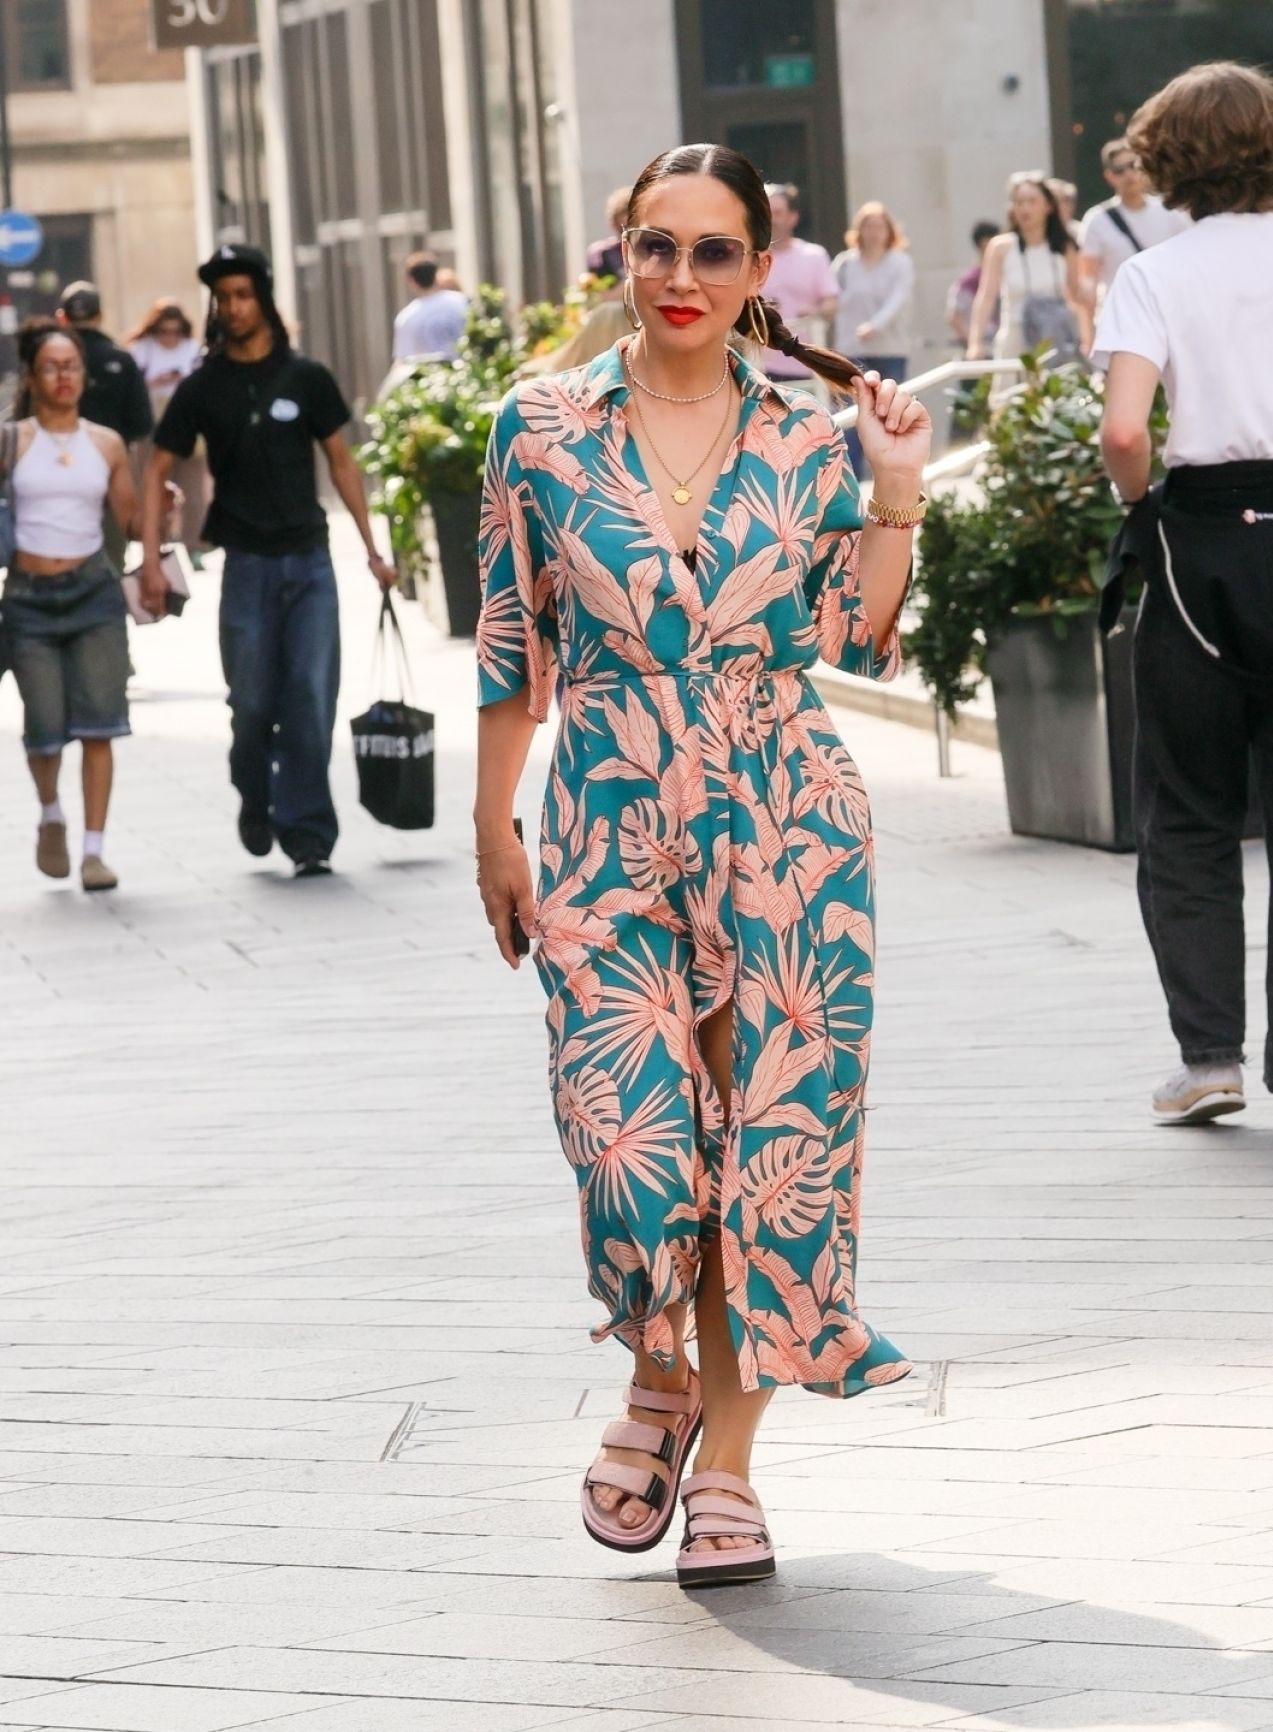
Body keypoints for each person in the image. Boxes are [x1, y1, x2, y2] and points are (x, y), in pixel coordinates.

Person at [474, 142, 929, 1588]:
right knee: (636, 1141)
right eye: (654, 247)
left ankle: (724, 1452)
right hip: (606, 811)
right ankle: (658, 1364)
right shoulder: (539, 426)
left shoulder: (806, 431)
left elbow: (858, 643)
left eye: (712, 252)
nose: (679, 279)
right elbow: (507, 641)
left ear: (759, 267)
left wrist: (899, 491)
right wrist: (493, 825)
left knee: (772, 1153)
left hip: (785, 809)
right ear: (620, 252)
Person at [1093, 62, 1273, 1125]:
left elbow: (1125, 430)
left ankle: (1207, 1053)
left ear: (1166, 160)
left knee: (1191, 811)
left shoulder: (1154, 274)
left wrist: (1143, 504)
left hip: (1198, 541)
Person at [141, 244, 398, 877]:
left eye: (242, 295)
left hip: (310, 563)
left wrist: (372, 549)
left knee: (309, 698)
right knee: (252, 702)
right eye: (222, 298)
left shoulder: (306, 376)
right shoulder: (202, 386)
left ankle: (308, 833)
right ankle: (255, 791)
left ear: (263, 300)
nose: (231, 307)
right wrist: (149, 558)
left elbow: (342, 462)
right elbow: (158, 467)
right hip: (247, 566)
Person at [2, 323, 140, 892]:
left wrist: (164, 525)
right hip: (29, 597)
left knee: (100, 724)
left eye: (73, 366)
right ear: (33, 378)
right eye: (53, 367)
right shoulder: (12, 439)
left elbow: (130, 517)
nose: (65, 377)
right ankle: (52, 814)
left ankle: (94, 851)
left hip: (93, 591)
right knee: (44, 728)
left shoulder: (106, 442)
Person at [56, 282, 152, 569]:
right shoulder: (120, 360)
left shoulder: (48, 361)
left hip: (57, 475)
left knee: (61, 561)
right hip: (110, 476)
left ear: (63, 317)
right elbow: (142, 423)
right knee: (110, 564)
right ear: (100, 315)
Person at [831, 201, 915, 476]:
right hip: (851, 349)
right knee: (853, 414)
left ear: (889, 230)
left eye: (880, 226)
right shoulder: (845, 263)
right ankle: (852, 475)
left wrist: (874, 326)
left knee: (889, 415)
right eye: (868, 226)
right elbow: (831, 299)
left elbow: (897, 301)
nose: (874, 232)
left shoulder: (900, 262)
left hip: (889, 349)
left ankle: (891, 474)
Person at [968, 173, 1085, 367]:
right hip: (1015, 338)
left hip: (1055, 338)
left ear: (1047, 206)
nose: (1025, 208)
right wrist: (976, 342)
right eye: (1019, 202)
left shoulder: (1065, 247)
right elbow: (986, 297)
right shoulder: (1001, 247)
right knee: (1006, 396)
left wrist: (1085, 338)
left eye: (1032, 201)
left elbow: (1076, 298)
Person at [125, 299, 208, 559]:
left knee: (193, 490)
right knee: (151, 488)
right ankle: (153, 543)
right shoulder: (142, 350)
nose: (170, 338)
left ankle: (194, 545)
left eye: (175, 332)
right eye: (164, 332)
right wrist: (154, 381)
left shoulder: (194, 351)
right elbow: (133, 389)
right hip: (153, 428)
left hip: (189, 426)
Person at [1079, 138, 1191, 316]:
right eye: (1119, 170)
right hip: (1120, 314)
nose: (1129, 174)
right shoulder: (1097, 219)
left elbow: (1188, 263)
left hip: (1166, 310)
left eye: (1133, 165)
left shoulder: (1171, 212)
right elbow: (1088, 277)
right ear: (1109, 176)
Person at [758, 182, 838, 384]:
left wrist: (816, 314)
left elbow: (832, 304)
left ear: (792, 217)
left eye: (777, 212)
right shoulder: (752, 258)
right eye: (766, 212)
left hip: (805, 363)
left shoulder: (814, 255)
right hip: (760, 367)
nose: (771, 219)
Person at [391, 252, 469, 362]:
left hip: (429, 377)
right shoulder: (462, 302)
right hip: (467, 372)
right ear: (435, 275)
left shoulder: (406, 317)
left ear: (411, 281)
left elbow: (402, 360)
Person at [947, 219, 1000, 352]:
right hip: (983, 347)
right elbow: (954, 316)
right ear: (984, 243)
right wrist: (973, 343)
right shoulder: (969, 280)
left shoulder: (1002, 274)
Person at [586, 185, 632, 288]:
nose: (628, 219)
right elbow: (598, 295)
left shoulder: (650, 249)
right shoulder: (601, 253)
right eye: (623, 212)